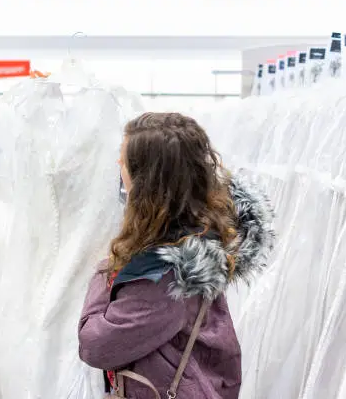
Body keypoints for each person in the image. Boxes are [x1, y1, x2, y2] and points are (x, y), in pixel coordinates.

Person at [78, 112, 275, 398]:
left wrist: (104, 271)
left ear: (147, 179)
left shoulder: (162, 280)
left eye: (124, 158)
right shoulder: (196, 240)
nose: (118, 164)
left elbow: (94, 345)